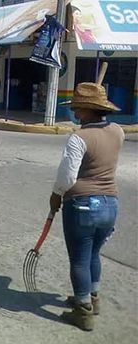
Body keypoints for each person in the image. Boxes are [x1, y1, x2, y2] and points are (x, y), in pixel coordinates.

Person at [51, 82, 124, 331]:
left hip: (82, 204)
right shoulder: (117, 131)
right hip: (110, 204)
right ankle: (93, 297)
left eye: (78, 109)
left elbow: (67, 177)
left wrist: (56, 194)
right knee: (93, 254)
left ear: (87, 110)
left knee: (79, 259)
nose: (75, 113)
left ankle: (83, 311)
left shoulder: (79, 138)